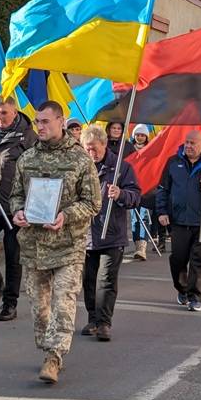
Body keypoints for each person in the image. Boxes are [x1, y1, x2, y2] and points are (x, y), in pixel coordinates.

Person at [10, 101, 101, 384]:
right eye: (37, 122)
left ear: (61, 122)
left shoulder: (80, 159)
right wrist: (18, 212)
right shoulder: (27, 159)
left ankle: (54, 357)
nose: (40, 127)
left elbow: (93, 203)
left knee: (63, 302)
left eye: (46, 122)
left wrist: (65, 215)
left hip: (68, 245)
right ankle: (47, 346)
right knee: (40, 310)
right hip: (35, 246)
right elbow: (15, 195)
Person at [80, 125, 141, 342]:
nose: (91, 153)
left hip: (112, 233)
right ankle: (93, 317)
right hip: (85, 234)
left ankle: (104, 322)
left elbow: (136, 196)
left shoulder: (121, 169)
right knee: (88, 279)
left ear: (104, 145)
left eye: (94, 149)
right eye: (87, 148)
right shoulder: (81, 166)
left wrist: (122, 194)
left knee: (106, 280)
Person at [155, 130, 201, 311]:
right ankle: (183, 288)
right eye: (186, 142)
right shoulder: (174, 162)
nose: (188, 146)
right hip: (178, 220)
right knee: (178, 259)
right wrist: (162, 211)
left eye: (192, 143)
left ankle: (196, 296)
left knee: (198, 260)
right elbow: (163, 189)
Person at [0, 96, 37, 322]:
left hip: (15, 206)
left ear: (15, 113)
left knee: (14, 255)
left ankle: (10, 303)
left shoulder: (28, 136)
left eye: (4, 113)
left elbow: (35, 170)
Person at [127, 124, 152, 260]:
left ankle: (142, 247)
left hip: (145, 189)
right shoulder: (129, 150)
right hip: (132, 188)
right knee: (134, 218)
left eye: (142, 135)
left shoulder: (150, 150)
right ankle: (137, 245)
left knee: (143, 216)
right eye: (138, 135)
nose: (140, 137)